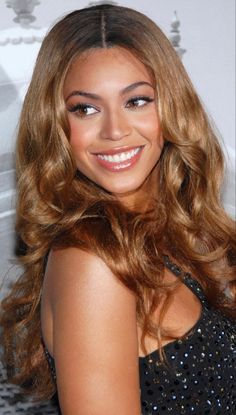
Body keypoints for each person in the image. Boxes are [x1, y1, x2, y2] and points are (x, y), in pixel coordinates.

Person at [0, 3, 235, 414]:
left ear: (172, 106)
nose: (114, 131)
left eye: (137, 101)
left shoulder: (181, 232)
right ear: (56, 123)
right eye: (85, 108)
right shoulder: (91, 263)